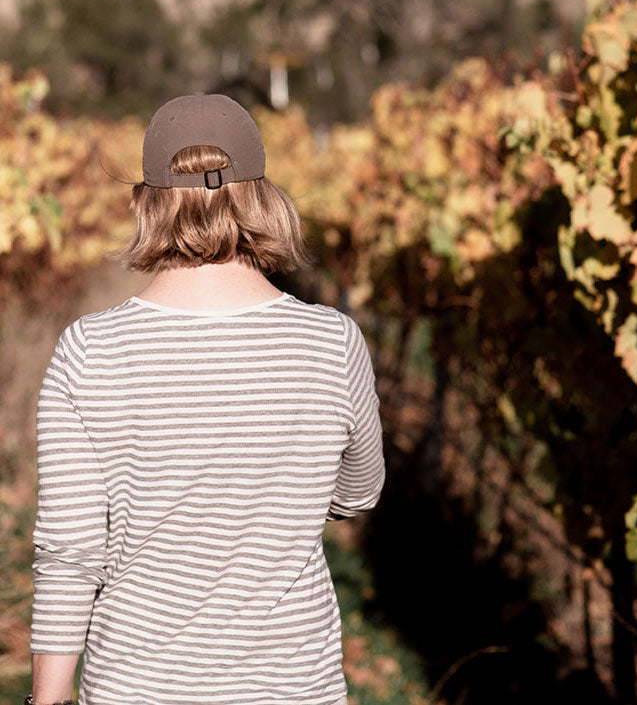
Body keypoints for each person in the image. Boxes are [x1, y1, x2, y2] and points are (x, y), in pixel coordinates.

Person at [28, 93, 386, 705]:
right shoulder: (331, 342)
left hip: (134, 688)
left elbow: (70, 551)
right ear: (262, 197)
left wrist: (48, 698)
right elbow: (359, 492)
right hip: (292, 688)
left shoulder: (89, 351)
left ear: (148, 202)